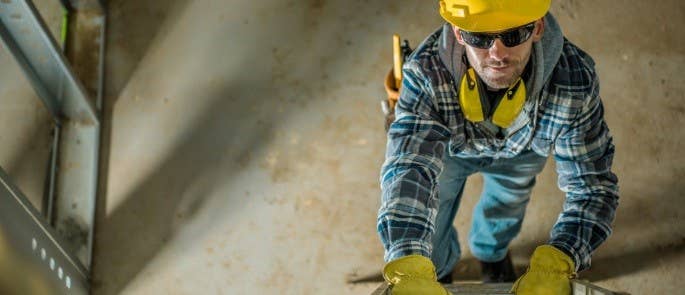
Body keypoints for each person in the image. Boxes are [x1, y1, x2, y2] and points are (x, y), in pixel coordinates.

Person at [377, 1, 619, 294]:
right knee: (434, 210)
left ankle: (491, 254)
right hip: (450, 152)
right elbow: (409, 171)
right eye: (479, 37)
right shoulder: (425, 74)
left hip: (523, 152)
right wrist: (409, 262)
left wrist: (561, 257)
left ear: (538, 28)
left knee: (507, 202)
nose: (497, 54)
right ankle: (438, 269)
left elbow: (592, 186)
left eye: (514, 34)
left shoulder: (574, 82)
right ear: (458, 33)